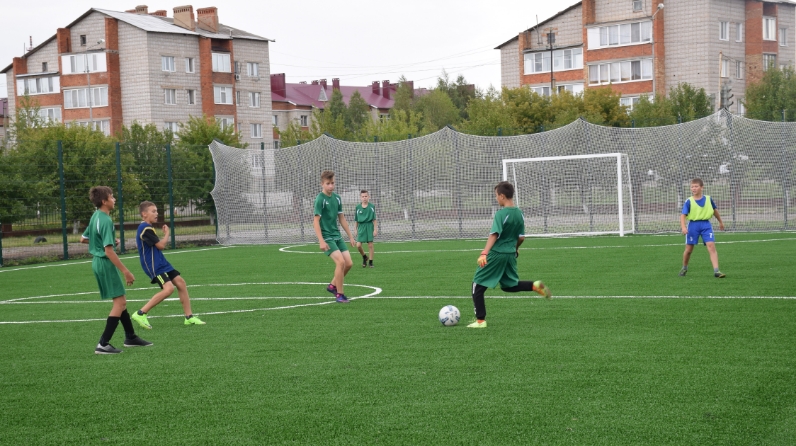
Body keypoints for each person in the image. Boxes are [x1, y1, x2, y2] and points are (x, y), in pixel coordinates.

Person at [469, 181, 551, 329]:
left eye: (496, 196)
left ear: (502, 196)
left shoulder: (501, 214)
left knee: (477, 285)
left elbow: (494, 234)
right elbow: (521, 238)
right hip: (510, 255)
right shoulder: (520, 213)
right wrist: (515, 249)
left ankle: (480, 320)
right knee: (509, 286)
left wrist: (484, 253)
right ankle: (534, 286)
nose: (496, 199)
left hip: (497, 254)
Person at [81, 186, 152, 354]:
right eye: (112, 197)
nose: (114, 199)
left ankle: (130, 337)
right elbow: (109, 251)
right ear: (104, 201)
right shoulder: (105, 220)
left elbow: (83, 238)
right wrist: (126, 271)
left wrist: (110, 241)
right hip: (105, 263)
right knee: (119, 303)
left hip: (98, 262)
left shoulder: (95, 216)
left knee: (122, 301)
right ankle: (103, 343)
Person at [131, 201, 206, 329]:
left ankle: (189, 317)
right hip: (154, 265)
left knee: (181, 283)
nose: (156, 213)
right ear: (144, 214)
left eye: (156, 211)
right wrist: (167, 234)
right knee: (169, 289)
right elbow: (160, 246)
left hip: (161, 262)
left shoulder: (148, 228)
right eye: (153, 211)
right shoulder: (145, 228)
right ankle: (141, 313)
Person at [313, 170, 356, 303]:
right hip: (327, 237)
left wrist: (351, 236)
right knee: (340, 262)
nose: (331, 186)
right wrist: (321, 240)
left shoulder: (337, 198)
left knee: (349, 263)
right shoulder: (320, 199)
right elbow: (316, 221)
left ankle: (332, 286)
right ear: (322, 184)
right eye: (328, 183)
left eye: (332, 183)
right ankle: (340, 294)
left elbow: (341, 218)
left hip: (337, 235)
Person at [679, 178, 726, 278]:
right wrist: (683, 227)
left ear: (702, 187)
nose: (694, 188)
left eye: (696, 186)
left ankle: (716, 271)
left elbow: (715, 211)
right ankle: (684, 267)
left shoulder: (708, 199)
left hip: (706, 225)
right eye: (692, 187)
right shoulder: (689, 201)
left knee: (711, 246)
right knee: (689, 250)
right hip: (693, 226)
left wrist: (720, 222)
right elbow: (683, 215)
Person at [354, 190, 378, 268]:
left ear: (368, 197)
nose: (364, 198)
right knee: (358, 245)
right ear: (360, 197)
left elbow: (374, 219)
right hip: (361, 226)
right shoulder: (358, 207)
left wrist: (375, 229)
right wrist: (355, 229)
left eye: (366, 196)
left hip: (369, 226)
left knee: (370, 245)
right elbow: (356, 220)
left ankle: (370, 262)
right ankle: (364, 257)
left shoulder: (372, 206)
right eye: (363, 196)